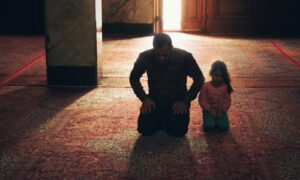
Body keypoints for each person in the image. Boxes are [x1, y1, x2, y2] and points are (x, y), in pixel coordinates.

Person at [129, 33, 204, 137]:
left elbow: (199, 79)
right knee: (145, 130)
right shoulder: (145, 56)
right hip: (155, 100)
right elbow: (133, 78)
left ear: (171, 48)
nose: (161, 58)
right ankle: (162, 119)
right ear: (154, 48)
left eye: (165, 55)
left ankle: (164, 120)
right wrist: (144, 99)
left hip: (177, 101)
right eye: (158, 55)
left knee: (178, 132)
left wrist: (185, 101)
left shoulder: (185, 57)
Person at [198, 60, 233, 131]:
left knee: (224, 127)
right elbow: (202, 100)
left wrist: (222, 110)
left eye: (221, 76)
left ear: (224, 77)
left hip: (221, 111)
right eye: (216, 75)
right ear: (211, 74)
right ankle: (210, 120)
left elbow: (228, 101)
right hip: (208, 111)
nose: (218, 78)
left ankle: (218, 121)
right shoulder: (205, 86)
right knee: (208, 126)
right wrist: (209, 109)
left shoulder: (226, 87)